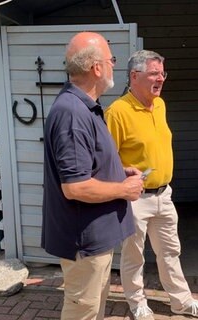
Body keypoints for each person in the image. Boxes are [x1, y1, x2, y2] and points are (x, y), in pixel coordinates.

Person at [105, 50, 198, 320]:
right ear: (134, 76)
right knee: (134, 256)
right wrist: (126, 174)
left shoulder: (160, 105)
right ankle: (137, 303)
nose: (161, 79)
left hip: (164, 195)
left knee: (170, 252)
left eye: (162, 73)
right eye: (154, 73)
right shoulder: (118, 111)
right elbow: (105, 162)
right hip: (135, 198)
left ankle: (182, 302)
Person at [41, 32, 144, 320]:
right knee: (83, 311)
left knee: (93, 308)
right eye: (111, 60)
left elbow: (85, 165)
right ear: (96, 68)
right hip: (84, 241)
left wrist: (117, 171)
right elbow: (75, 186)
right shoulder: (73, 113)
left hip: (93, 238)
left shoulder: (84, 107)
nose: (114, 65)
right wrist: (124, 189)